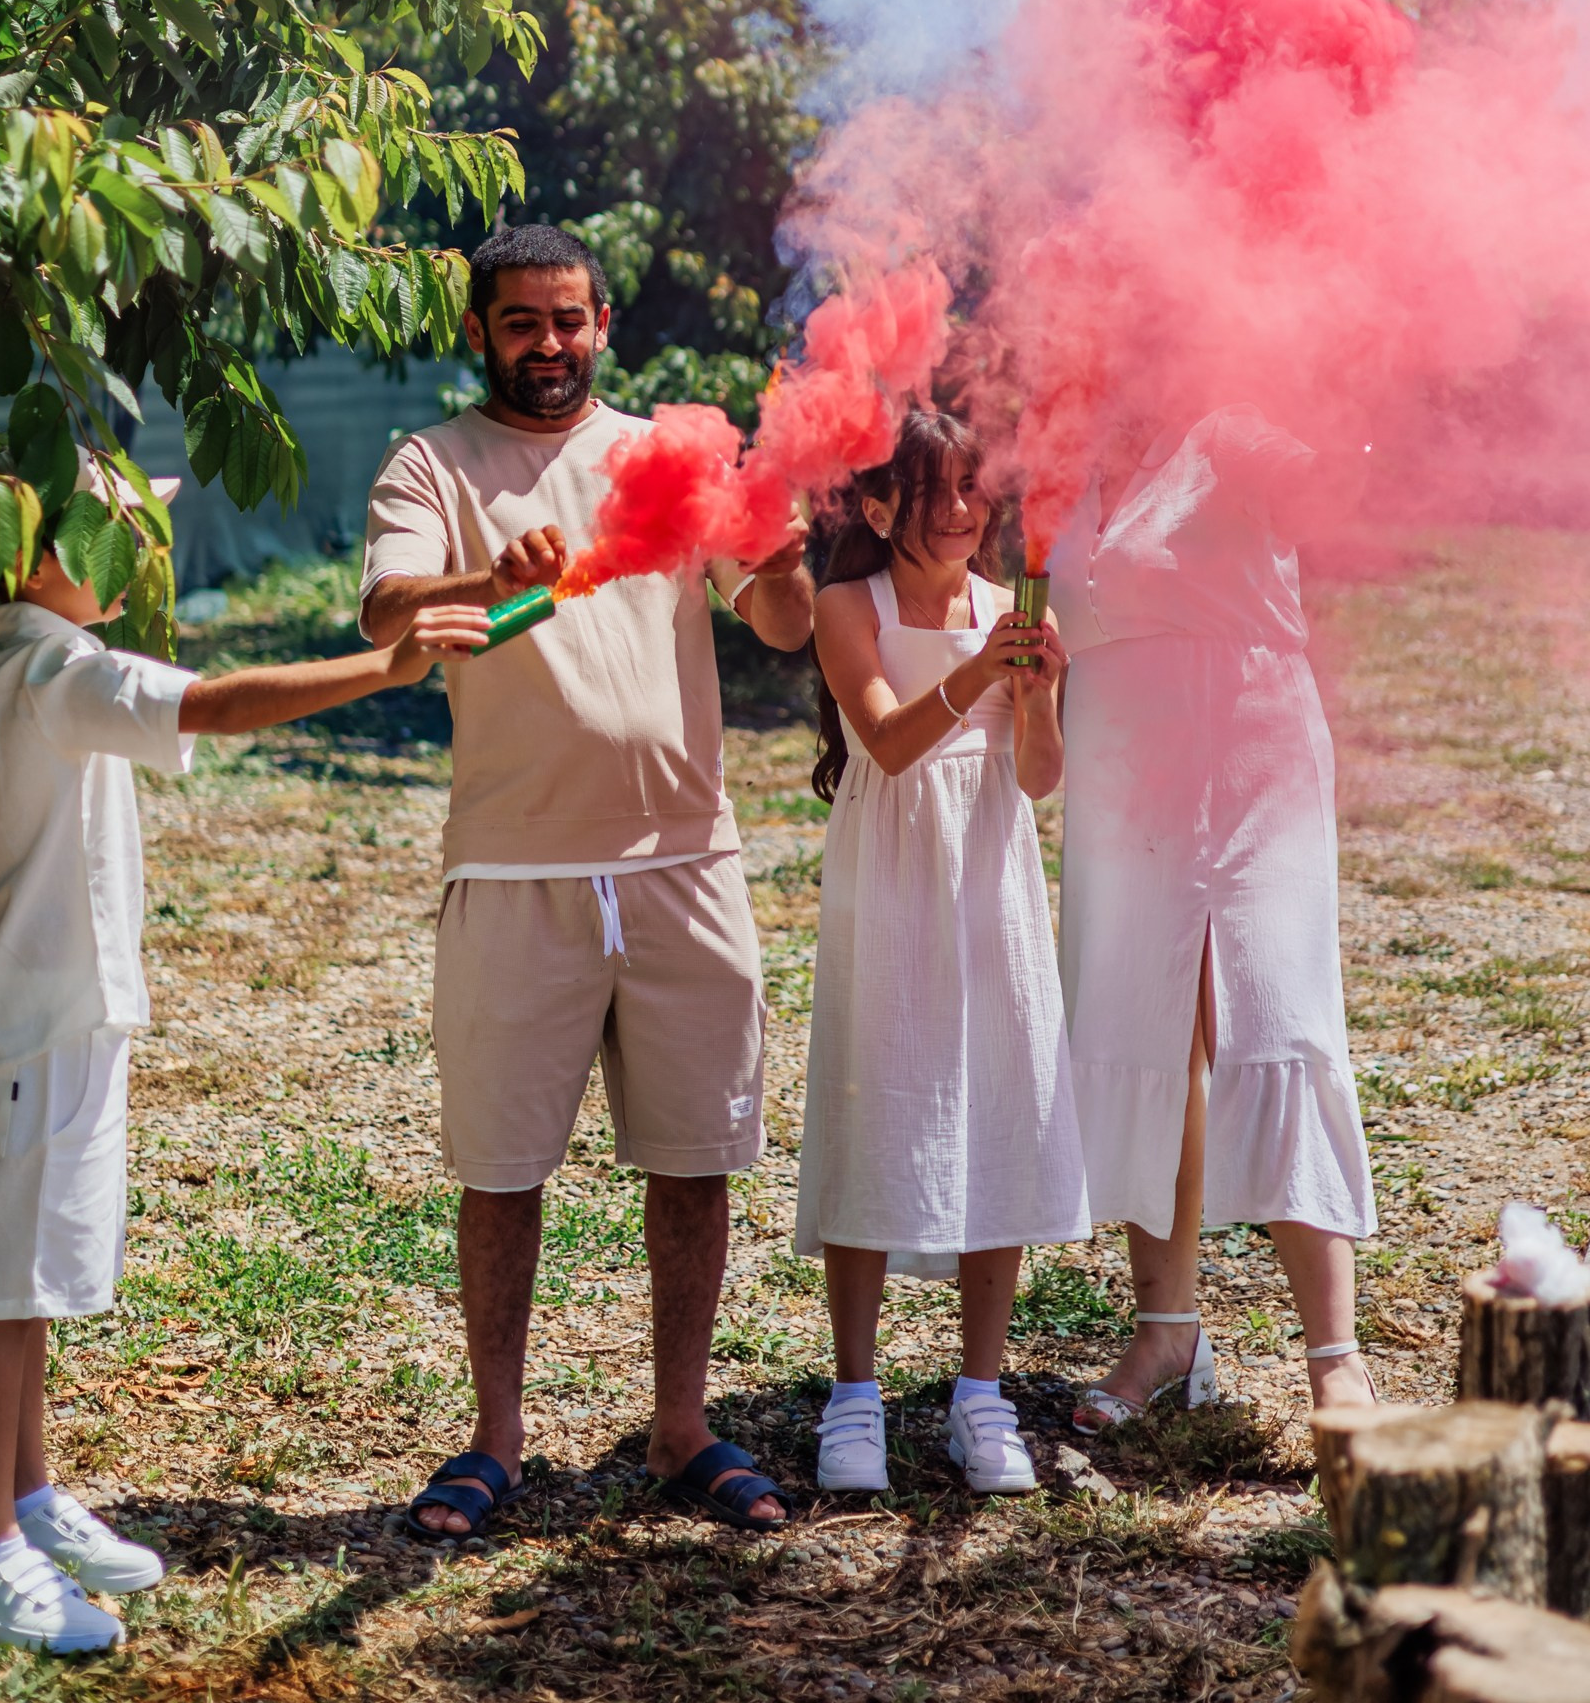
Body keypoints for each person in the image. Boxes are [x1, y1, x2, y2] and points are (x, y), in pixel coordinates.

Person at [0, 463, 486, 1653]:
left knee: (41, 1278)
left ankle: (27, 1499)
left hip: (67, 1017)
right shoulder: (47, 673)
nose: (138, 551)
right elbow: (222, 703)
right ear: (30, 556)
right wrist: (386, 670)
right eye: (115, 531)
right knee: (7, 1289)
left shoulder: (35, 666)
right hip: (41, 1024)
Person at [360, 223, 815, 1537]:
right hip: (516, 870)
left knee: (694, 1159)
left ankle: (683, 1428)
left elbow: (776, 622)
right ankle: (496, 1442)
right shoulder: (433, 465)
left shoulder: (664, 454)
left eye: (568, 321)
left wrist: (781, 557)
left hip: (685, 863)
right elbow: (391, 617)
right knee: (502, 1171)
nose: (546, 346)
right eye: (520, 323)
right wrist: (481, 577)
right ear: (480, 332)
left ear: (602, 323)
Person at [1050, 409, 1378, 1430]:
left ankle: (1334, 1356)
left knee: (1277, 1023)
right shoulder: (1054, 453)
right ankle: (1165, 1328)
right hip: (1116, 777)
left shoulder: (1235, 430)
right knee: (1144, 1036)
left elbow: (1342, 484)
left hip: (1251, 758)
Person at [798, 407, 1084, 1496]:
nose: (964, 510)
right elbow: (883, 737)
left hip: (987, 867)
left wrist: (1039, 695)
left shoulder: (1007, 609)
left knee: (997, 1095)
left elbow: (1037, 777)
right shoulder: (844, 605)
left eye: (973, 487)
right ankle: (855, 1395)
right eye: (934, 493)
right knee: (880, 1096)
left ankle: (980, 1393)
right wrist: (974, 679)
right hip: (891, 863)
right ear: (879, 509)